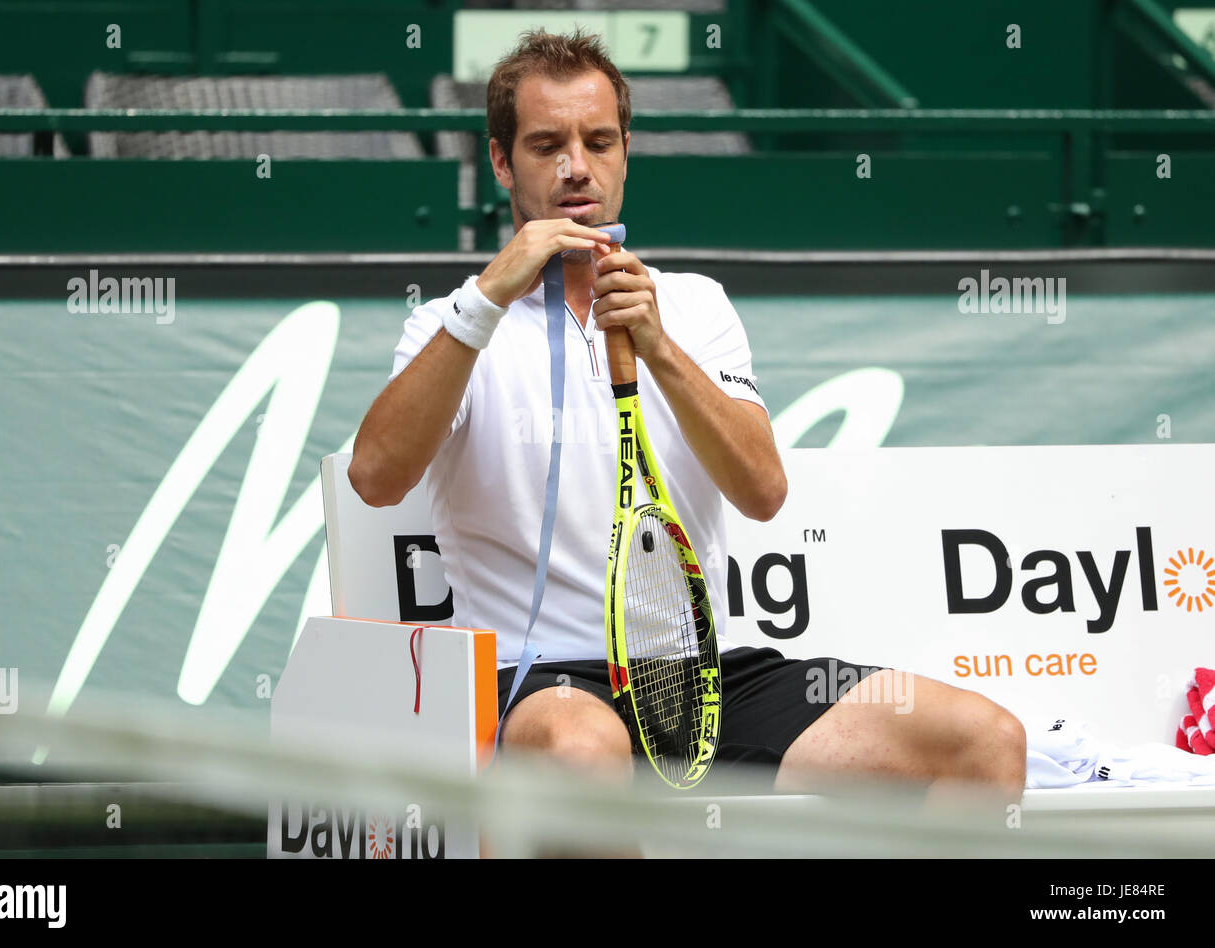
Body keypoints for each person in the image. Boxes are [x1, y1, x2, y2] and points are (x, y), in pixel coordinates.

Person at [349, 28, 1025, 806]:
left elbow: (763, 491)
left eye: (599, 141)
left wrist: (659, 346)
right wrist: (488, 297)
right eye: (547, 144)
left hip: (700, 675)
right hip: (538, 682)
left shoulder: (696, 304)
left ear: (627, 149)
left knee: (983, 741)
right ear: (501, 161)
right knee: (581, 751)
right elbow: (375, 477)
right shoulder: (451, 322)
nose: (577, 167)